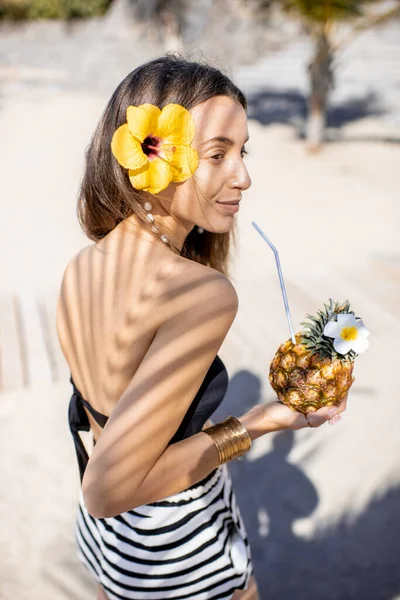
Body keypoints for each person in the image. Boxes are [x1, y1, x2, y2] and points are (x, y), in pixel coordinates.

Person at [56, 54, 347, 600]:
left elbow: (103, 439)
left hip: (112, 545)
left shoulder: (85, 264)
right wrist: (260, 422)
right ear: (156, 155)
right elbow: (108, 489)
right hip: (176, 544)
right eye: (219, 154)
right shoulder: (201, 295)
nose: (244, 175)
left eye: (242, 152)